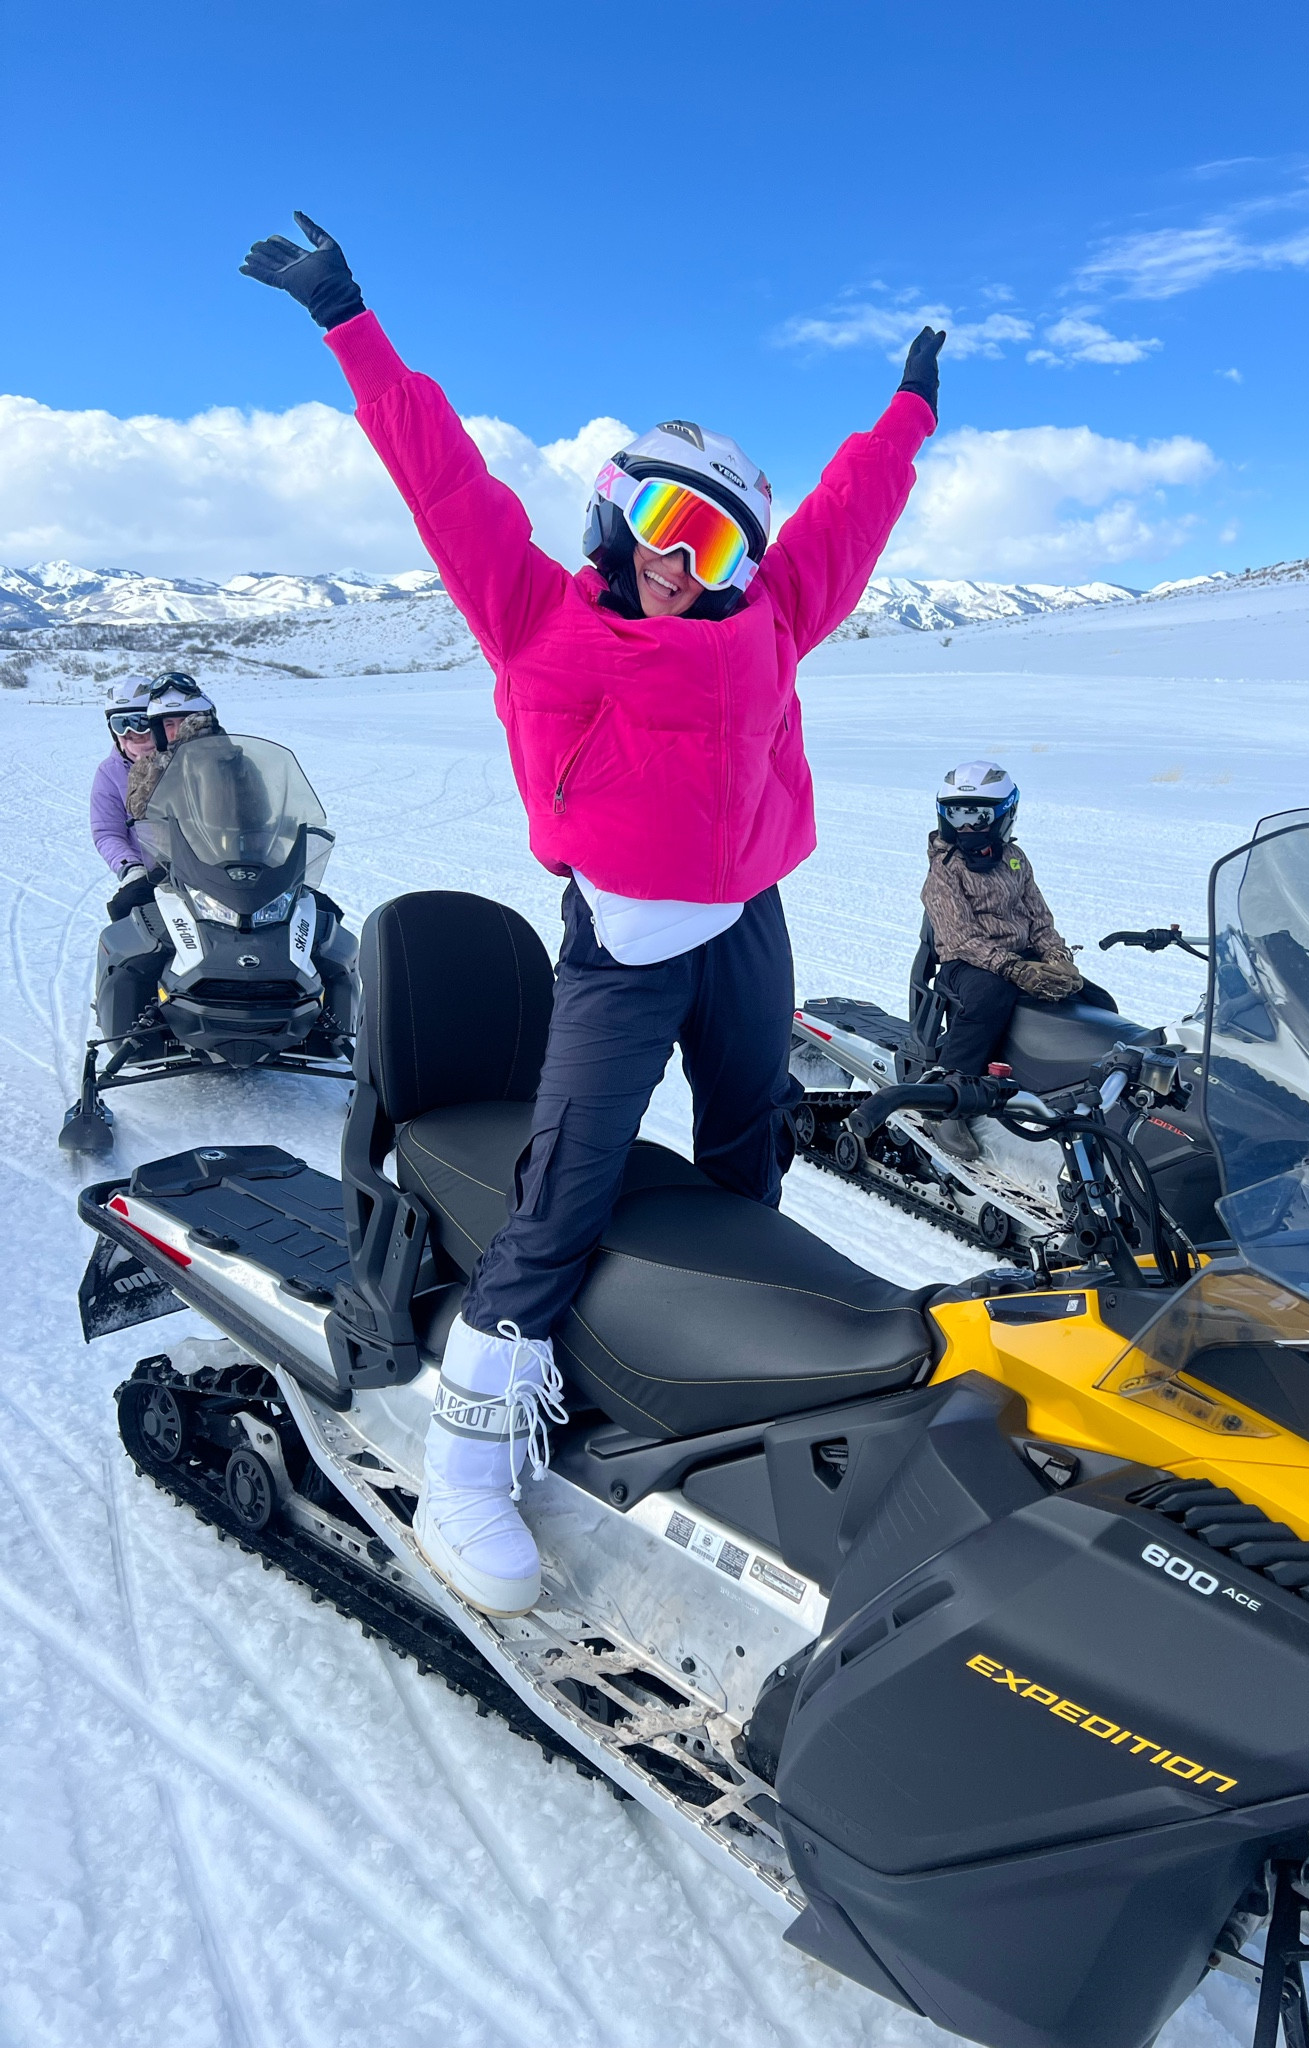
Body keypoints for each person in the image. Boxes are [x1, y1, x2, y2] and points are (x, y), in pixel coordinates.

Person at [242, 212, 942, 1616]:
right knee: (566, 1184)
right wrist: (348, 321)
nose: (690, 564)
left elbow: (849, 515)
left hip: (746, 927)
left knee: (746, 1153)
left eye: (722, 546)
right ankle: (467, 1460)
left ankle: (711, 1374)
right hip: (621, 945)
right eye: (670, 526)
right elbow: (439, 476)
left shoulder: (767, 622)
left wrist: (908, 414)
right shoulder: (533, 614)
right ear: (618, 516)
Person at [921, 760, 1115, 1161]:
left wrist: (1057, 959)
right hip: (967, 963)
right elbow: (961, 938)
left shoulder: (1015, 859)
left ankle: (1084, 1092)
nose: (966, 827)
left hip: (1018, 958)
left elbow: (1039, 920)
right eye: (956, 815)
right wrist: (1013, 969)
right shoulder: (945, 869)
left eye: (978, 816)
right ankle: (947, 1099)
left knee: (1096, 1002)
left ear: (1003, 814)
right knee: (991, 997)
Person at [92, 673, 221, 916]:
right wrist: (132, 868)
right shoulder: (110, 772)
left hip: (209, 865)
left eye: (141, 722)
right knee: (126, 911)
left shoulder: (188, 756)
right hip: (155, 874)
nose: (132, 733)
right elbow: (107, 832)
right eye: (121, 724)